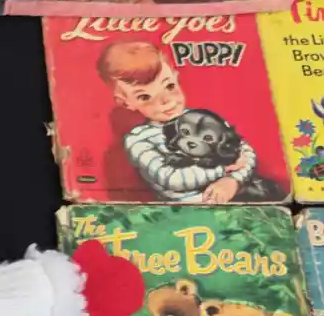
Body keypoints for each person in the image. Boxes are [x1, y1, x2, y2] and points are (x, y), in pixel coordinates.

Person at [96, 40, 282, 203]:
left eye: (169, 86)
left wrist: (233, 181)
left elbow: (244, 151)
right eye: (145, 97)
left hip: (236, 195)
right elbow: (171, 178)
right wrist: (223, 171)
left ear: (176, 78)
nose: (166, 101)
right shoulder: (139, 140)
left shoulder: (202, 118)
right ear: (125, 103)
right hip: (192, 208)